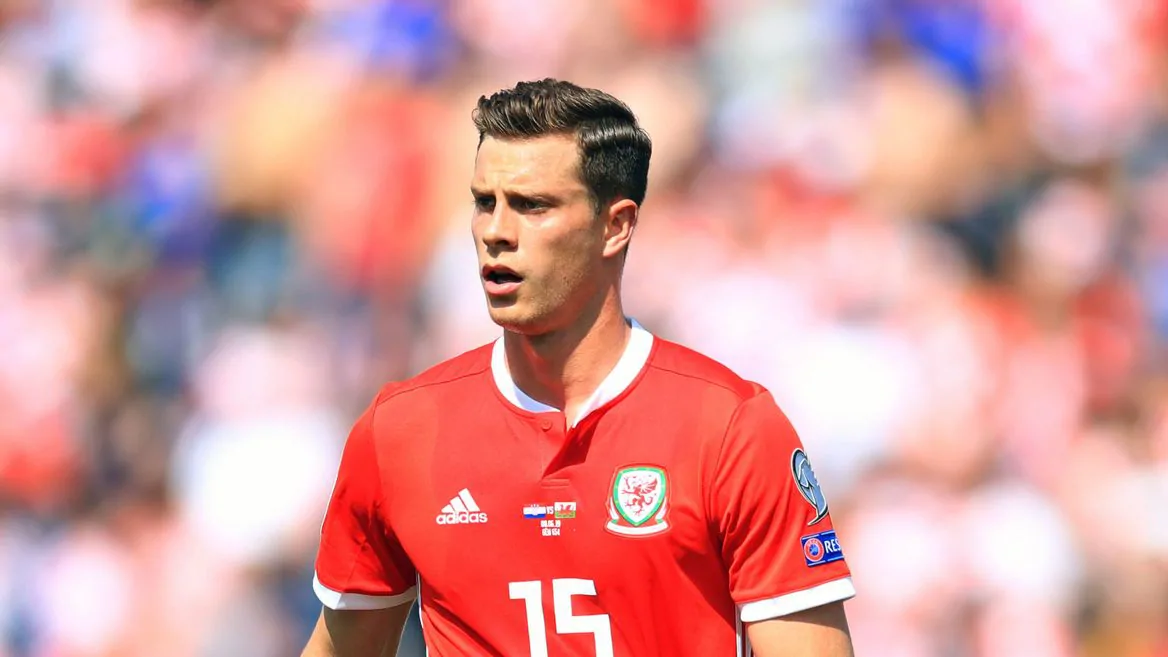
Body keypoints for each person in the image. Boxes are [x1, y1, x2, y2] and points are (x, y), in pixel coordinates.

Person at [300, 78, 856, 657]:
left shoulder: (730, 427)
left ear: (615, 225)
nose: (496, 232)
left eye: (533, 206)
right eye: (485, 202)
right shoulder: (399, 430)